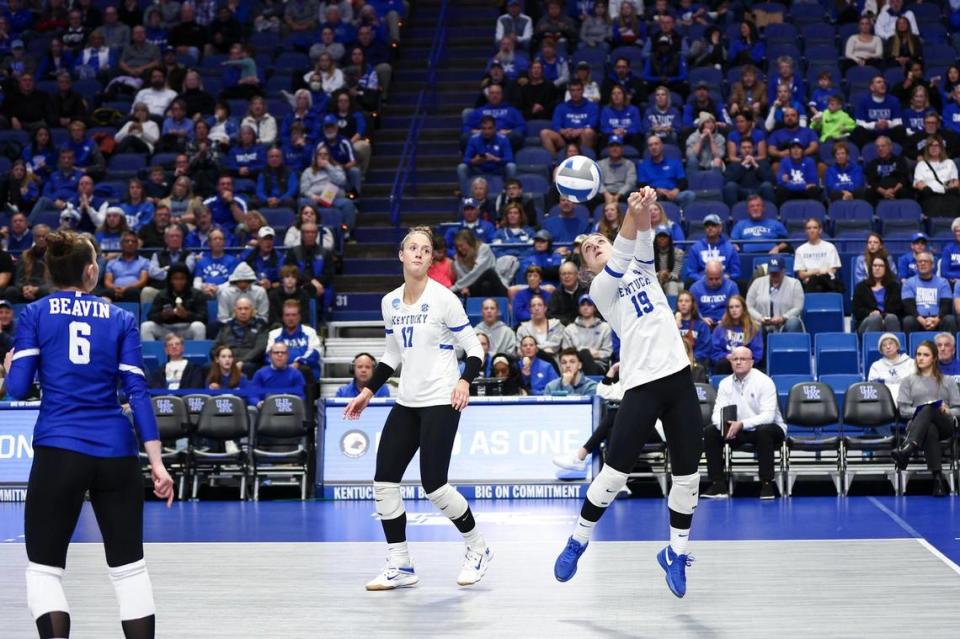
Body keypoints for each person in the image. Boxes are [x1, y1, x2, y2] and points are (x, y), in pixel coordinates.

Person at [3, 230, 173, 639]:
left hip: (60, 449)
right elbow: (138, 393)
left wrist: (11, 368)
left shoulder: (35, 313)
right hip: (116, 452)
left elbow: (19, 388)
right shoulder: (120, 317)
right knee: (129, 569)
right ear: (92, 271)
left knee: (44, 570)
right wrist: (156, 462)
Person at [555, 188, 703, 598]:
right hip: (640, 384)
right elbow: (620, 252)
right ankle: (578, 539)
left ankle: (675, 553)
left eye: (598, 239)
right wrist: (627, 213)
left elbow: (642, 236)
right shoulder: (601, 289)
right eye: (589, 248)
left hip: (677, 376)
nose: (596, 244)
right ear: (587, 269)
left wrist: (643, 210)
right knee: (614, 472)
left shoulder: (644, 268)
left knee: (689, 476)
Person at [343, 226, 491, 590]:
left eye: (426, 249)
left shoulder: (444, 299)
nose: (420, 254)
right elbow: (392, 354)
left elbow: (475, 348)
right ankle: (401, 564)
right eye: (413, 247)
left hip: (442, 399)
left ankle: (478, 548)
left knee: (435, 486)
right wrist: (368, 391)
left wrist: (464, 381)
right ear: (401, 255)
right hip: (406, 401)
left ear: (431, 258)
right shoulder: (390, 302)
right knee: (383, 482)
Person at [701, 346, 786, 500]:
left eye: (743, 359)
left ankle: (767, 484)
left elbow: (768, 416)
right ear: (731, 362)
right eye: (735, 359)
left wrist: (741, 424)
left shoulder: (764, 382)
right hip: (737, 431)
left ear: (751, 362)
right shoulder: (725, 383)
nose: (739, 362)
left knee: (764, 431)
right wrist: (726, 427)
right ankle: (718, 485)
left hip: (769, 430)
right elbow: (716, 414)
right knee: (710, 431)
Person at [892, 341, 960, 496]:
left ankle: (908, 447)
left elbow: (958, 409)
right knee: (929, 428)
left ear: (934, 358)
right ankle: (937, 480)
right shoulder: (908, 381)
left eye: (925, 355)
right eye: (918, 354)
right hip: (918, 426)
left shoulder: (948, 380)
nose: (920, 358)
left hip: (945, 424)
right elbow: (903, 410)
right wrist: (922, 410)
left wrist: (947, 410)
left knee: (931, 408)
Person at [141, 263, 207, 341]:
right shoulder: (162, 294)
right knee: (146, 326)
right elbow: (151, 316)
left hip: (187, 328)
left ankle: (197, 353)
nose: (179, 282)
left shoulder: (197, 294)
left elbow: (204, 318)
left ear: (187, 279)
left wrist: (186, 315)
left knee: (199, 327)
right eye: (175, 279)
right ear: (170, 280)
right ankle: (151, 352)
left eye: (182, 278)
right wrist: (163, 315)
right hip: (166, 329)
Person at [265, 299, 322, 383]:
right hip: (279, 370)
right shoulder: (274, 334)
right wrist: (283, 366)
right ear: (283, 317)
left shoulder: (310, 332)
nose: (290, 318)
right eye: (287, 315)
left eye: (294, 315)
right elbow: (268, 356)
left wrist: (298, 363)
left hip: (303, 372)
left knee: (304, 370)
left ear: (299, 317)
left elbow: (315, 354)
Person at [901, 252, 957, 335]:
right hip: (918, 319)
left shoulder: (943, 282)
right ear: (916, 266)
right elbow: (908, 305)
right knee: (908, 321)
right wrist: (921, 320)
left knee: (950, 319)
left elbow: (946, 305)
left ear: (932, 265)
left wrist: (937, 320)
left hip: (938, 318)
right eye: (919, 262)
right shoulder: (909, 283)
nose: (922, 263)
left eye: (925, 261)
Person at [746, 257, 805, 334]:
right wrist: (760, 318)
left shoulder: (794, 284)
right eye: (772, 272)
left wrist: (783, 317)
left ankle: (789, 345)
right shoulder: (757, 283)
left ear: (783, 270)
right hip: (761, 323)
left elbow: (798, 307)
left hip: (785, 323)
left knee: (793, 323)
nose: (774, 274)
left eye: (777, 272)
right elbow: (748, 306)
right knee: (753, 325)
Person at [211, 298, 268, 375]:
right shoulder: (226, 327)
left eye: (246, 309)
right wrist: (225, 361)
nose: (243, 312)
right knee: (206, 367)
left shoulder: (260, 327)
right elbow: (214, 349)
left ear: (252, 311)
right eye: (240, 309)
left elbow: (260, 349)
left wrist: (243, 361)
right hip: (227, 360)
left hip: (250, 362)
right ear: (235, 310)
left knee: (249, 367)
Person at [636, 135, 695, 210]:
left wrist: (676, 190)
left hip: (673, 194)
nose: (653, 147)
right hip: (654, 195)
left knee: (689, 195)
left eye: (656, 144)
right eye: (650, 145)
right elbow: (641, 184)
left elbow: (683, 181)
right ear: (648, 149)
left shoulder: (675, 163)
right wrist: (657, 190)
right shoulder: (643, 166)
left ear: (661, 146)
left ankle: (680, 215)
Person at [681, 214, 741, 286]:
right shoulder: (695, 248)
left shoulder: (730, 248)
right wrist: (705, 279)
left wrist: (726, 278)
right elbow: (691, 273)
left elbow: (736, 272)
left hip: (725, 282)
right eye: (707, 225)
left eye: (713, 225)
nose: (710, 228)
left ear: (720, 228)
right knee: (688, 283)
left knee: (740, 284)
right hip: (702, 282)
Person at [710, 295, 763, 374]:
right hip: (726, 364)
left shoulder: (753, 328)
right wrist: (727, 356)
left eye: (737, 306)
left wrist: (741, 358)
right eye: (731, 307)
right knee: (722, 364)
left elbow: (757, 354)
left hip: (747, 366)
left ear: (743, 309)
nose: (734, 310)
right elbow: (714, 352)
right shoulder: (720, 328)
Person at [561, 295, 613, 374]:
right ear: (579, 308)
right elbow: (566, 352)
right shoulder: (569, 329)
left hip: (599, 364)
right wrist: (586, 353)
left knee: (585, 353)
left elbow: (608, 352)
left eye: (589, 305)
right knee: (584, 353)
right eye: (582, 305)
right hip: (575, 366)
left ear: (595, 308)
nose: (585, 307)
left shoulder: (605, 327)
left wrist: (596, 354)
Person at [853, 256, 904, 334]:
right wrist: (870, 313)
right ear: (871, 268)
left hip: (889, 320)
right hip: (867, 322)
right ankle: (871, 345)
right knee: (875, 318)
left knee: (891, 318)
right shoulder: (861, 287)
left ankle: (894, 344)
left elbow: (899, 308)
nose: (877, 268)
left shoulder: (894, 286)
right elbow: (856, 310)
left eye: (881, 266)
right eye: (875, 266)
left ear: (886, 269)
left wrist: (883, 316)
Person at [913, 136, 960, 218]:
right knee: (933, 203)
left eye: (936, 145)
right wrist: (927, 189)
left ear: (941, 148)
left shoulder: (949, 163)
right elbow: (918, 183)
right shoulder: (921, 165)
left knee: (954, 202)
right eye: (931, 146)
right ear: (927, 149)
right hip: (930, 195)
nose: (934, 148)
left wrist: (952, 186)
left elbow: (955, 181)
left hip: (948, 195)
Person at [794, 218, 842, 293]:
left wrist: (814, 272)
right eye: (809, 228)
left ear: (820, 230)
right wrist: (815, 271)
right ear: (806, 231)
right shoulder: (800, 250)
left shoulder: (830, 247)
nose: (812, 230)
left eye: (815, 228)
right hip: (809, 283)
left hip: (827, 282)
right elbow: (801, 275)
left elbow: (833, 270)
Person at [688, 260, 739, 327]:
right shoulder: (695, 288)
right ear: (705, 275)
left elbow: (737, 308)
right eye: (711, 279)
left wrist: (727, 319)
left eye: (717, 278)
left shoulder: (731, 287)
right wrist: (701, 319)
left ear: (722, 274)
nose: (714, 282)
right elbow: (692, 309)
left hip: (727, 324)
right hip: (702, 324)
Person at [103, 232, 150, 302]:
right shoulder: (112, 263)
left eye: (133, 241)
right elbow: (107, 281)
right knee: (105, 293)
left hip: (134, 290)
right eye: (127, 241)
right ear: (121, 244)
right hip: (115, 290)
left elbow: (143, 281)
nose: (130, 243)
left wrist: (126, 289)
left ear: (137, 245)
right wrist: (116, 289)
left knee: (132, 292)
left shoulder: (144, 262)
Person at [867, 333, 914, 401]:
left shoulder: (910, 362)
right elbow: (873, 387)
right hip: (884, 399)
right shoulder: (876, 366)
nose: (888, 347)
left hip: (907, 397)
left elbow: (915, 383)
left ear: (897, 346)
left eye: (891, 343)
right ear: (881, 350)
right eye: (884, 345)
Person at [776, 139, 822, 205]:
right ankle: (781, 213)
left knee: (814, 190)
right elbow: (780, 182)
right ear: (790, 151)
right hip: (792, 191)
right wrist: (804, 186)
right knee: (780, 190)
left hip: (804, 193)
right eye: (793, 148)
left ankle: (814, 213)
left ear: (803, 151)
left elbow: (814, 182)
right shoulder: (784, 161)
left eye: (799, 148)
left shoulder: (809, 161)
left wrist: (788, 183)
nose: (796, 151)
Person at [653, 225, 684, 296]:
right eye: (659, 236)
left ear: (669, 238)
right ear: (656, 238)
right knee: (655, 284)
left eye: (665, 236)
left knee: (671, 285)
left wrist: (667, 275)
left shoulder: (678, 253)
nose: (662, 239)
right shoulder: (649, 254)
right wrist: (659, 274)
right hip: (655, 281)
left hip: (673, 282)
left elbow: (676, 274)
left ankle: (672, 306)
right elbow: (647, 273)